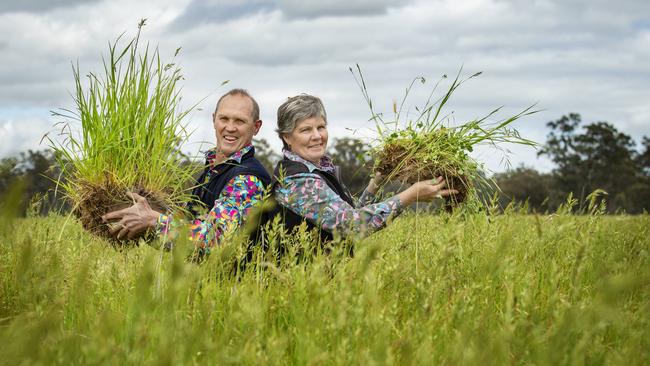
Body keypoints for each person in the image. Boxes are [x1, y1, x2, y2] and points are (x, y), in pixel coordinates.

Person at [256, 94, 458, 242]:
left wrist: (376, 183)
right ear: (286, 137)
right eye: (305, 130)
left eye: (321, 127)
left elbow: (350, 212)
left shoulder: (318, 170)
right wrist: (409, 196)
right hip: (299, 288)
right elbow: (352, 225)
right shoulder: (296, 181)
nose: (317, 136)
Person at [102, 89, 271, 256]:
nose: (230, 127)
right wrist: (141, 223)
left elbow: (217, 240)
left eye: (240, 121)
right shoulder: (213, 169)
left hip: (231, 283)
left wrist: (154, 221)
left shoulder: (247, 180)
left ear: (256, 127)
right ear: (214, 120)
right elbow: (182, 241)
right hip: (200, 281)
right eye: (224, 118)